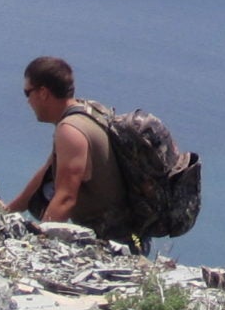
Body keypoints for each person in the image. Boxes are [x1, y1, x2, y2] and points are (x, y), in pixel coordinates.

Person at [7, 55, 132, 242]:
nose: (28, 101)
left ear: (43, 92)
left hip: (110, 239)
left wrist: (39, 241)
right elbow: (48, 170)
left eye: (28, 93)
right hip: (128, 231)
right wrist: (8, 211)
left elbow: (65, 198)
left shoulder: (70, 131)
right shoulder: (88, 112)